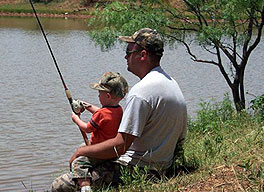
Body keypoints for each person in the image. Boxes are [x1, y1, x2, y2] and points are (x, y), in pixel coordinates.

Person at [51, 28, 187, 192]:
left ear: (143, 55)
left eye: (129, 51)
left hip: (141, 170)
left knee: (60, 185)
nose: (125, 56)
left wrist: (81, 151)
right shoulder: (172, 84)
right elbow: (180, 138)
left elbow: (120, 146)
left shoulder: (141, 92)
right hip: (163, 166)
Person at [70, 72, 128, 192]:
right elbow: (103, 114)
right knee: (81, 147)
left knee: (78, 163)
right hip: (111, 151)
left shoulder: (101, 114)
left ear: (107, 96)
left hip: (99, 151)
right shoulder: (119, 110)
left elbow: (87, 128)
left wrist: (76, 119)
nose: (98, 96)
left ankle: (85, 187)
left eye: (99, 93)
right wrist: (88, 106)